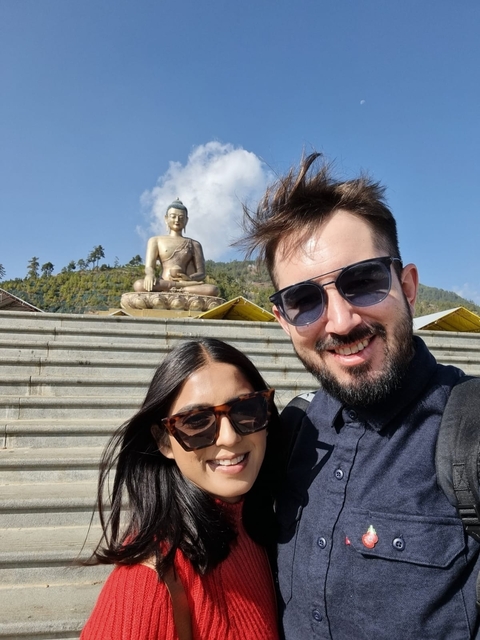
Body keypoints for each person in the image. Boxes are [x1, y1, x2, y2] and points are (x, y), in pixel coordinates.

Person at [240, 152, 480, 640]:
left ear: (408, 286)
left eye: (364, 281)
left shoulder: (469, 432)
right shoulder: (290, 434)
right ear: (283, 320)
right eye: (304, 300)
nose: (342, 321)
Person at [81, 338, 280, 639]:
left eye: (246, 409)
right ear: (164, 441)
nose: (228, 437)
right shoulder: (146, 583)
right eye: (197, 421)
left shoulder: (266, 532)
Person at [133, 198, 219, 297]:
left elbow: (201, 273)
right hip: (163, 283)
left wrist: (189, 278)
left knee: (212, 290)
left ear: (186, 220)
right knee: (139, 285)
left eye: (181, 217)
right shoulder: (155, 240)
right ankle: (178, 288)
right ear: (166, 218)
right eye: (173, 216)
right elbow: (149, 267)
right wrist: (150, 275)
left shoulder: (194, 244)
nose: (177, 220)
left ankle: (179, 289)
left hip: (186, 284)